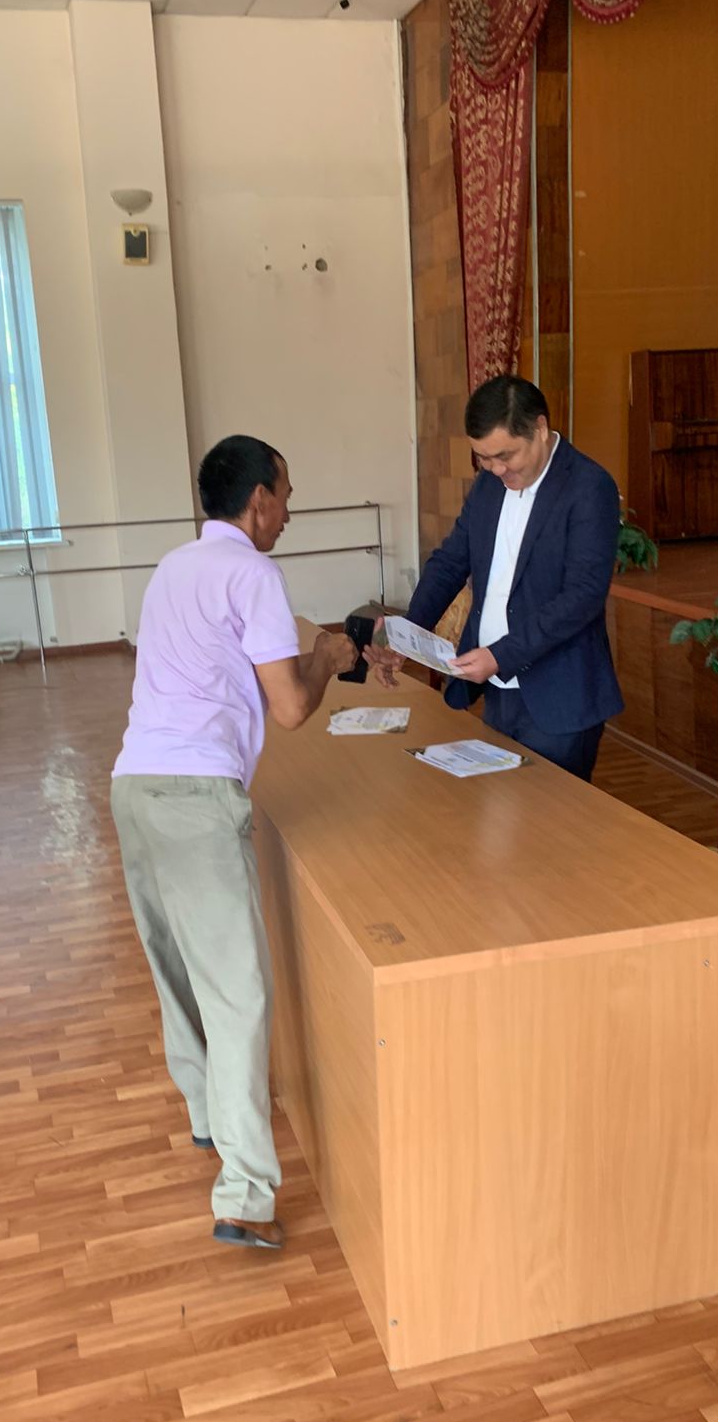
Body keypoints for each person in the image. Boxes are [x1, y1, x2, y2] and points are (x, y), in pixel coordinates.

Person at [110, 435, 355, 1253]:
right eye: (286, 496)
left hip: (132, 786)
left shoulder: (172, 566)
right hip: (195, 798)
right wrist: (326, 657)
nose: (288, 512)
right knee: (239, 994)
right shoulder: (253, 572)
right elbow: (290, 708)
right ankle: (245, 1194)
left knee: (177, 969)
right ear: (257, 501)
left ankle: (207, 1117)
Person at [369, 375, 622, 780]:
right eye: (484, 458)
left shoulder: (588, 487)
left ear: (540, 429)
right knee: (497, 805)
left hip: (559, 696)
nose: (497, 469)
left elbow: (583, 596)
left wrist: (501, 655)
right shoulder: (489, 484)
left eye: (505, 455)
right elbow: (451, 561)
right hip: (496, 690)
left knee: (552, 814)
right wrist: (407, 632)